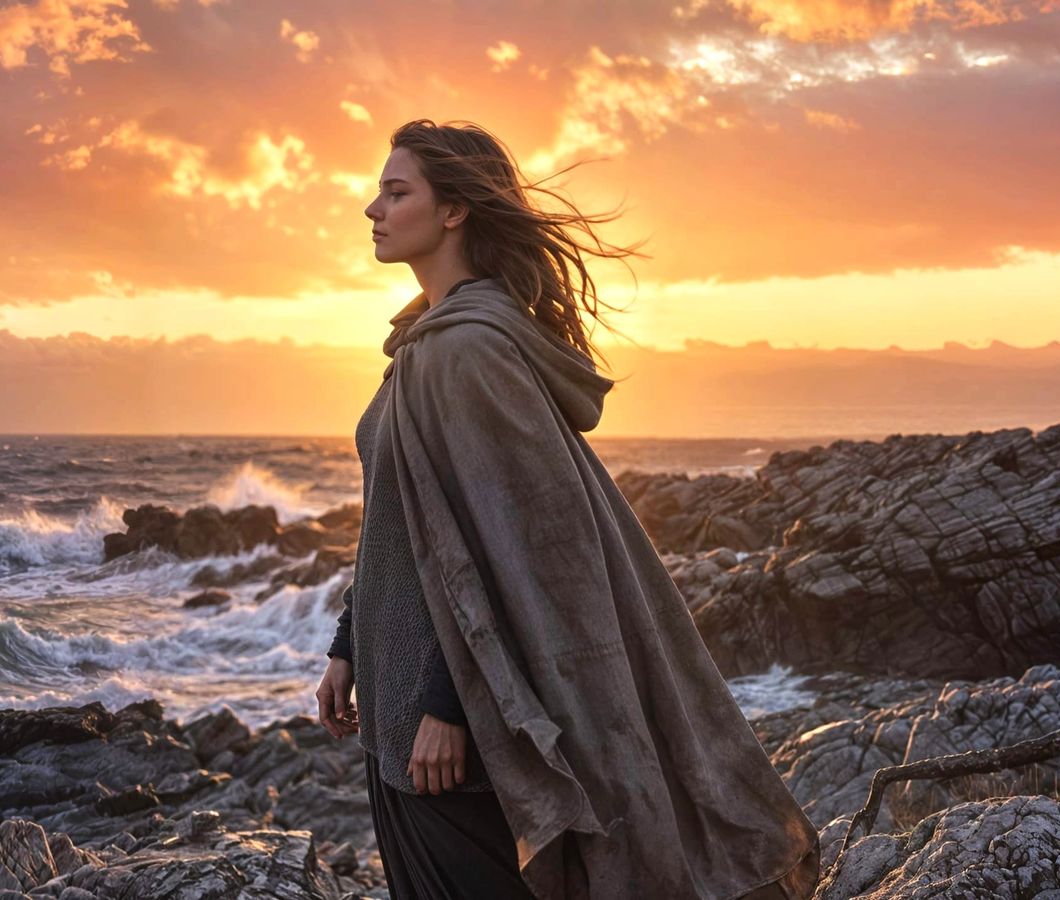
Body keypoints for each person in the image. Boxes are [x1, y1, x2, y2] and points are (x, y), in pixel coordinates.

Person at [315, 118, 821, 900]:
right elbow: (408, 518)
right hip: (395, 699)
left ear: (453, 211)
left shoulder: (468, 351)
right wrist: (347, 643)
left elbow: (519, 547)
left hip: (445, 718)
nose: (372, 209)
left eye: (395, 190)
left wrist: (448, 705)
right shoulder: (424, 345)